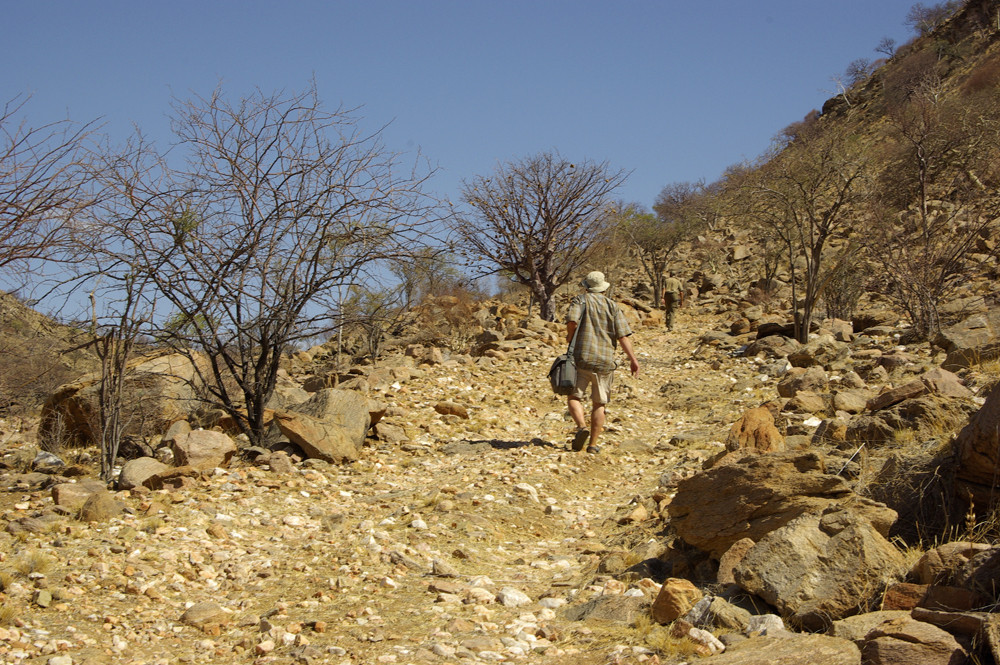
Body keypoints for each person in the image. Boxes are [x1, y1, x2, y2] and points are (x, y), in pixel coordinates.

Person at [565, 271, 640, 454]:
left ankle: (582, 427)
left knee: (574, 397)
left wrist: (570, 336)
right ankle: (592, 445)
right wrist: (633, 359)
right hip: (605, 360)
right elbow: (622, 335)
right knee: (599, 404)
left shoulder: (580, 301)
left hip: (582, 357)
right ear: (603, 287)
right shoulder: (612, 306)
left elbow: (572, 320)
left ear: (586, 286)